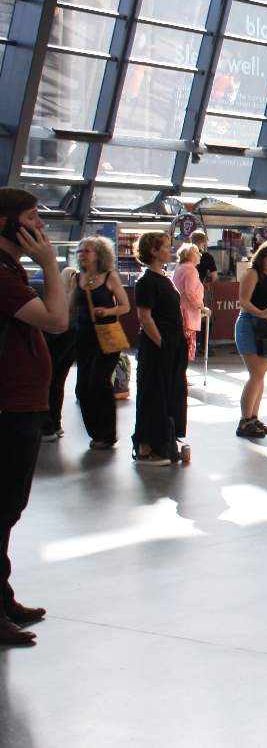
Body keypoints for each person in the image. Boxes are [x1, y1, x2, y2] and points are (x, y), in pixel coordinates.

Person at [0, 188, 69, 647]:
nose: (40, 228)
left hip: (21, 405)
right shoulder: (3, 276)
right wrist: (49, 265)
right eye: (31, 219)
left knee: (8, 508)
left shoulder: (10, 269)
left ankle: (2, 596)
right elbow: (56, 320)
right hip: (7, 408)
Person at [131, 232, 188, 465]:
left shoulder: (165, 278)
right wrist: (162, 344)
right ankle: (147, 445)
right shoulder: (146, 281)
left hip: (172, 343)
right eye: (165, 246)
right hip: (158, 346)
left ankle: (164, 440)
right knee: (153, 394)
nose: (170, 250)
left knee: (170, 393)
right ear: (153, 251)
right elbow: (144, 317)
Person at [72, 237, 129, 450]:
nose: (82, 254)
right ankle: (95, 432)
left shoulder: (110, 277)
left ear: (98, 254)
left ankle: (107, 434)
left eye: (86, 250)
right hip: (83, 336)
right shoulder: (77, 278)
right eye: (79, 251)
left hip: (107, 336)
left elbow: (125, 306)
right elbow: (71, 306)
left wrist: (108, 311)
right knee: (84, 386)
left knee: (99, 381)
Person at [234, 241, 267, 439]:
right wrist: (262, 314)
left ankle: (253, 418)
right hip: (249, 325)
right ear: (261, 258)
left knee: (261, 375)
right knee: (256, 374)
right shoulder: (252, 273)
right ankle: (245, 421)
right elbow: (244, 302)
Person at [39, 267, 78, 442]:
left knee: (48, 383)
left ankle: (47, 427)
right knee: (58, 384)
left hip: (56, 344)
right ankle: (56, 424)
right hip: (71, 345)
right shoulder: (78, 302)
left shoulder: (56, 302)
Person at [172, 243, 209, 363]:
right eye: (197, 252)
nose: (200, 255)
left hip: (179, 309)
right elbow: (190, 293)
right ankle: (182, 377)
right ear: (190, 255)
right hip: (188, 312)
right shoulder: (190, 270)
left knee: (180, 344)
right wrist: (202, 307)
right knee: (187, 344)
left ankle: (181, 375)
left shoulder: (179, 267)